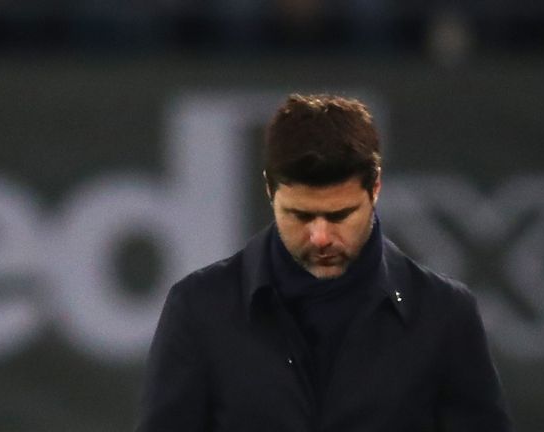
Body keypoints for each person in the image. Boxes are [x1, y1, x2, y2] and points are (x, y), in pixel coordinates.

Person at [136, 94, 513, 431]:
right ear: (270, 189)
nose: (320, 237)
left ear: (375, 188)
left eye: (339, 215)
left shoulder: (444, 314)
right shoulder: (200, 308)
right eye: (300, 215)